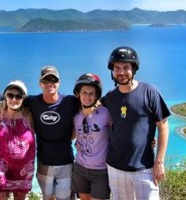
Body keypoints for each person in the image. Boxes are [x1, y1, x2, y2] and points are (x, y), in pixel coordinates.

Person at [104, 46, 170, 200]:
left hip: (145, 167)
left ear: (134, 68)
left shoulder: (149, 92)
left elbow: (163, 126)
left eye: (126, 67)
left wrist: (159, 162)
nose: (121, 72)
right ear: (112, 71)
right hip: (115, 168)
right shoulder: (110, 97)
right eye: (117, 68)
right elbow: (93, 116)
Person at [25, 66, 79, 200]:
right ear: (40, 84)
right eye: (46, 80)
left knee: (65, 198)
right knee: (47, 197)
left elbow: (89, 105)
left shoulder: (70, 101)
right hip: (44, 162)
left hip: (66, 162)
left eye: (53, 80)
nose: (50, 83)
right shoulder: (32, 102)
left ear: (59, 83)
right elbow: (12, 102)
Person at [0, 80, 36, 200]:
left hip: (24, 170)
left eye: (18, 96)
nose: (14, 99)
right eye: (10, 95)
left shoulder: (30, 116)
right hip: (2, 169)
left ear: (23, 98)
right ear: (5, 96)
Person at [71, 73, 111, 200]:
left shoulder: (105, 113)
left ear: (96, 95)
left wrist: (148, 140)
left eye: (91, 93)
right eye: (84, 92)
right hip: (80, 168)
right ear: (78, 93)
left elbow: (121, 131)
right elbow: (72, 136)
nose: (87, 96)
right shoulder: (76, 116)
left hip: (101, 170)